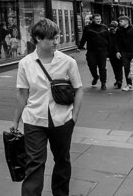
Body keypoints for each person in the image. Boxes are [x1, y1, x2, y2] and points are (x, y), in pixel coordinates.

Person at [13, 18, 84, 196]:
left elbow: (78, 89)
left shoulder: (68, 62)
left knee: (62, 161)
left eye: (57, 37)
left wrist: (73, 118)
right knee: (34, 163)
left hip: (62, 120)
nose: (56, 42)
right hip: (34, 120)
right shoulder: (25, 63)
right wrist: (15, 121)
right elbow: (22, 94)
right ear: (37, 38)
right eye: (51, 39)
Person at [76, 12, 109, 89]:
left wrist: (109, 52)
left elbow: (109, 39)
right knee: (91, 65)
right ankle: (95, 76)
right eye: (97, 19)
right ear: (93, 19)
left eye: (99, 19)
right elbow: (84, 38)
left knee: (102, 67)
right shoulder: (88, 28)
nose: (98, 20)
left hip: (102, 50)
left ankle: (103, 83)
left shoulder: (104, 27)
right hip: (91, 51)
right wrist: (79, 47)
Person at [112, 15, 133, 91]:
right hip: (123, 52)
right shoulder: (119, 30)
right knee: (126, 68)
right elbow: (116, 41)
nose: (119, 23)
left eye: (121, 21)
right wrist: (117, 51)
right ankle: (129, 84)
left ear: (126, 21)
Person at [105, 20, 123, 89]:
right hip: (112, 53)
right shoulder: (108, 35)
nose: (113, 30)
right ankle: (118, 80)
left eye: (114, 28)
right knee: (117, 67)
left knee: (117, 67)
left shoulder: (118, 34)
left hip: (118, 53)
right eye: (111, 29)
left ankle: (119, 80)